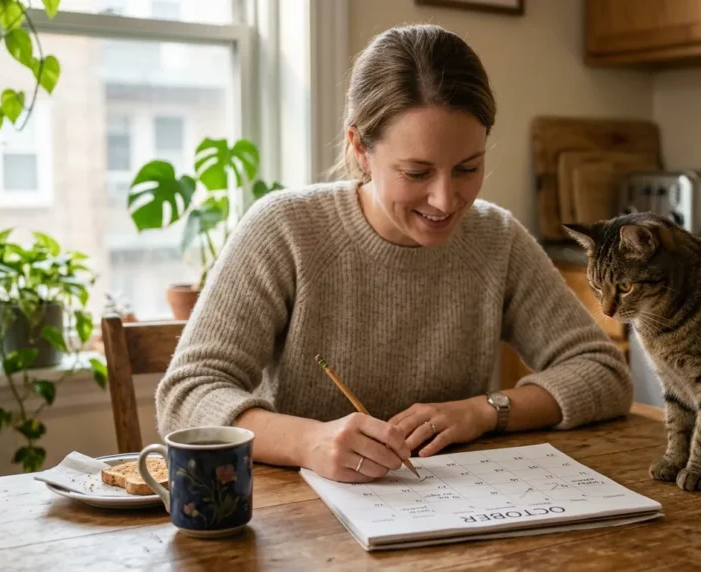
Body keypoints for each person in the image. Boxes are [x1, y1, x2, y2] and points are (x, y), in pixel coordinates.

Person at [155, 23, 633, 483]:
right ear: (360, 149)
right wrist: (310, 442)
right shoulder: (285, 229)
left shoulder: (496, 238)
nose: (446, 201)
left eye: (467, 168)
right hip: (300, 522)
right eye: (417, 173)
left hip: (452, 515)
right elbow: (187, 395)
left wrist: (485, 412)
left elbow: (603, 373)